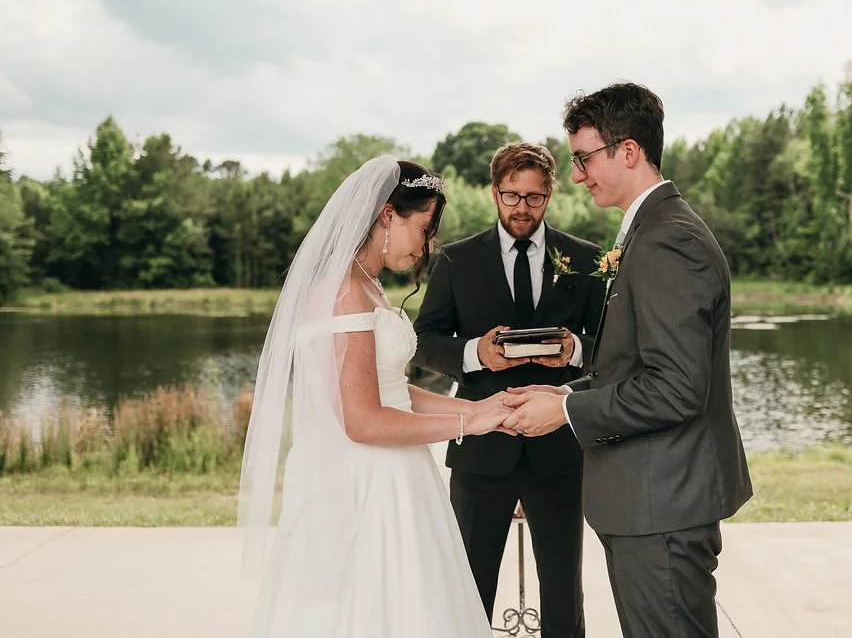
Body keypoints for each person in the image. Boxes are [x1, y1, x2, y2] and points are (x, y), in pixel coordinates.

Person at [502, 83, 753, 637]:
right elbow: (637, 365)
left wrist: (568, 416)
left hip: (660, 505)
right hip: (650, 500)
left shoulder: (669, 240)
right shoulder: (652, 230)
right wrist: (566, 393)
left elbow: (676, 388)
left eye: (584, 158)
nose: (576, 175)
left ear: (629, 151)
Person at [238, 156, 511, 637]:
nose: (427, 245)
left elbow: (393, 391)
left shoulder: (368, 286)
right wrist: (471, 425)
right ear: (388, 214)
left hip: (398, 473)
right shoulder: (344, 291)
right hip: (366, 483)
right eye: (423, 227)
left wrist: (482, 408)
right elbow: (362, 420)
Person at [413, 142, 604, 637]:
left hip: (560, 450)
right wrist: (477, 352)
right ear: (494, 192)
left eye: (534, 197)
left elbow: (611, 347)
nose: (522, 208)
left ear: (550, 195)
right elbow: (424, 342)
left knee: (564, 593)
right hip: (481, 451)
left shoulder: (584, 259)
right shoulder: (456, 260)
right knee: (470, 588)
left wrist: (574, 351)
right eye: (511, 195)